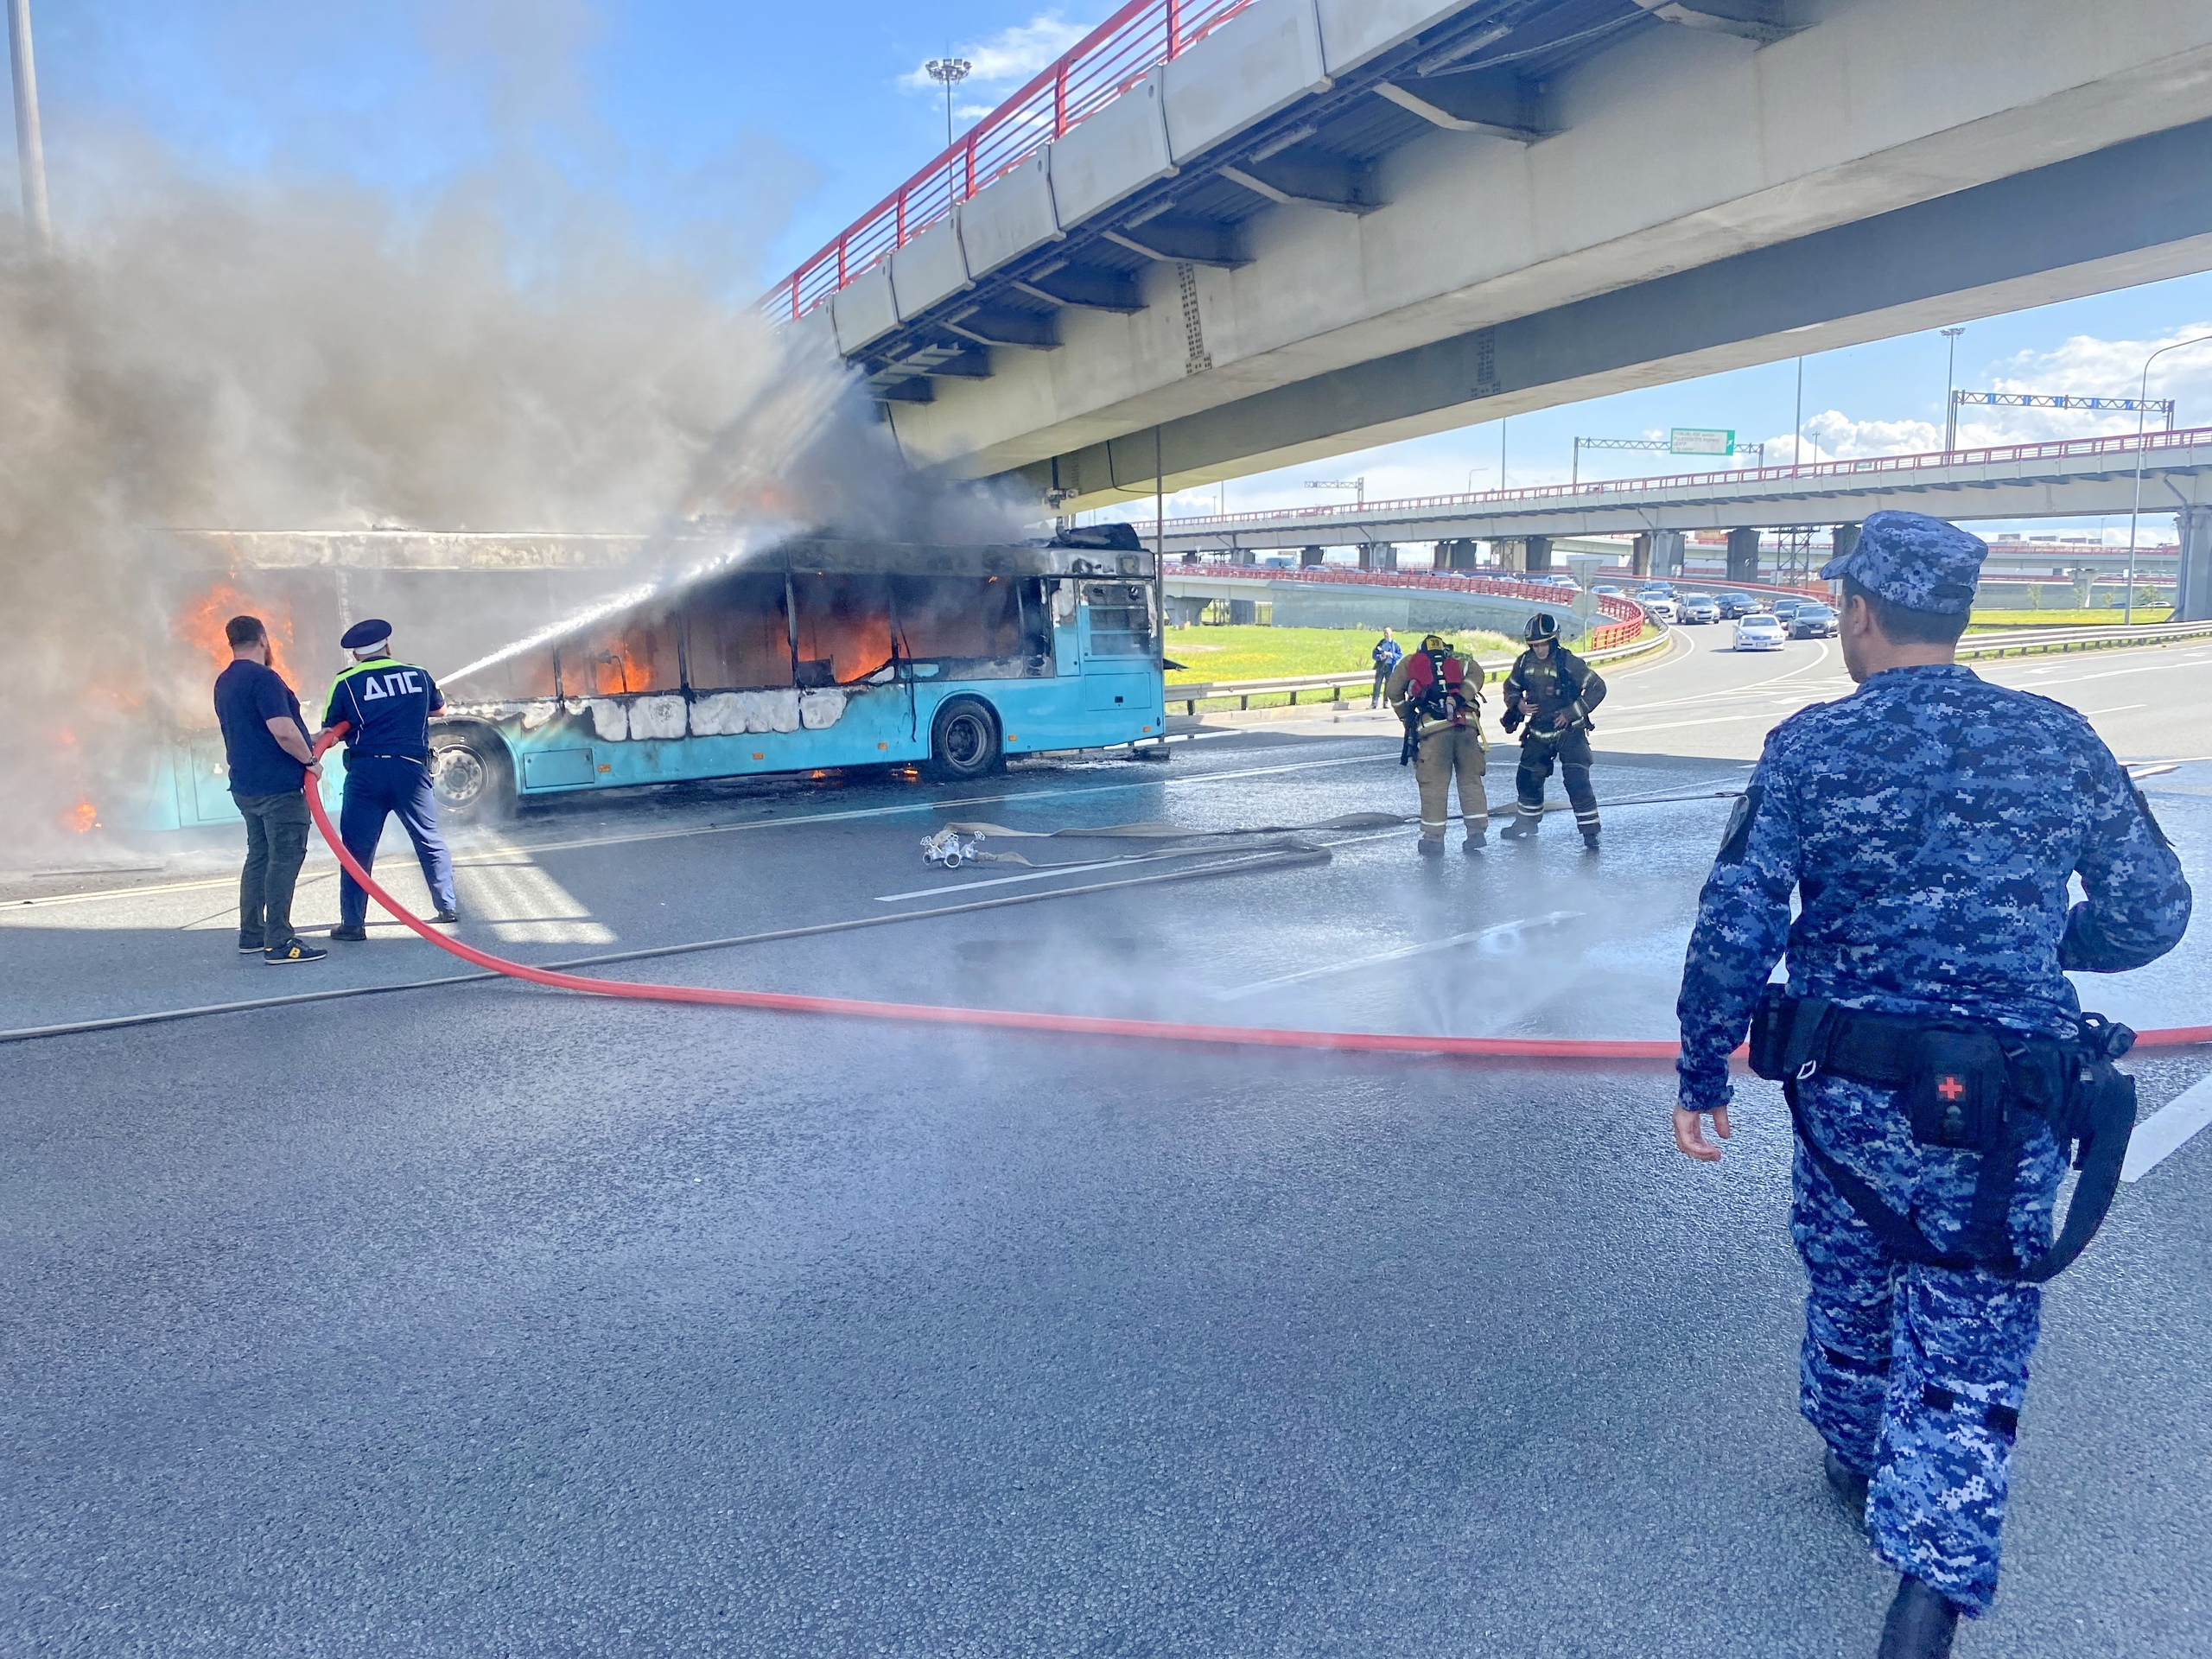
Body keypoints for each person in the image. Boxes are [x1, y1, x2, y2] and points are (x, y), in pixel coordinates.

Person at [1671, 511, 2190, 1657]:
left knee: (1852, 1281)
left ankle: (1855, 1461)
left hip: (1847, 1099)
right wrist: (2045, 947)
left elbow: (1736, 923)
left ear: (1858, 612)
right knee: (1972, 1332)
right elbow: (2154, 909)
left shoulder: (1810, 745)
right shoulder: (2056, 738)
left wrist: (1702, 1067)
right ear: (1959, 613)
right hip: (2006, 1107)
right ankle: (1927, 1593)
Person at [321, 619, 460, 941]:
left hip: (366, 774)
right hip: (411, 770)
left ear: (355, 655)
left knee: (356, 849)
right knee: (428, 837)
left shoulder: (345, 682)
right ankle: (447, 907)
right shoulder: (418, 675)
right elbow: (440, 710)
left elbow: (332, 728)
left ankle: (353, 925)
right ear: (388, 647)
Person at [213, 615, 328, 964]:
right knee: (284, 859)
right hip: (279, 789)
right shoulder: (264, 679)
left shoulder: (225, 681)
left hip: (246, 787)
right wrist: (310, 760)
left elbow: (257, 732)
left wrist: (313, 739)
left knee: (258, 857)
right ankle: (279, 942)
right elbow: (281, 730)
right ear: (263, 639)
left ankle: (251, 933)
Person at [1498, 613, 1605, 848]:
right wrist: (1517, 704)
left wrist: (1571, 712)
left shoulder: (1569, 663)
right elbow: (1511, 686)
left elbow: (1597, 688)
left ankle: (1590, 832)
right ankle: (1526, 824)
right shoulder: (1524, 662)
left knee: (1577, 781)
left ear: (1553, 640)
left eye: (1543, 644)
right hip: (1538, 731)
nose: (1539, 650)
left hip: (1570, 732)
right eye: (1535, 645)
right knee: (1527, 778)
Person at [1386, 632, 1486, 857]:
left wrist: (1406, 718)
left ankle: (1433, 840)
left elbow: (1393, 692)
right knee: (1470, 781)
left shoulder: (1410, 662)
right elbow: (1477, 674)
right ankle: (1476, 833)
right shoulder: (1459, 658)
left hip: (1434, 731)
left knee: (1434, 786)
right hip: (1467, 728)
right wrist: (1460, 698)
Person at [1369, 627, 1402, 709]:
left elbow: (1400, 655)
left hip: (1390, 668)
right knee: (1377, 685)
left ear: (1391, 633)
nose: (1386, 634)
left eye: (1387, 633)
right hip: (1381, 667)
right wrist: (1380, 656)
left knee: (1388, 686)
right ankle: (1374, 703)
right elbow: (1374, 654)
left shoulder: (1395, 644)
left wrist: (1391, 655)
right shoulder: (1380, 644)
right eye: (1384, 633)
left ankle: (1386, 703)